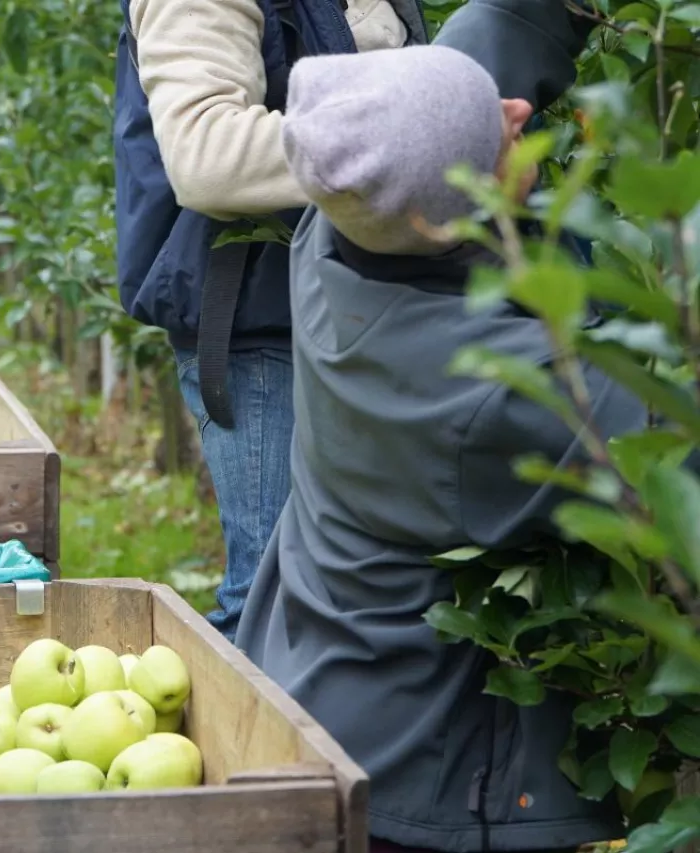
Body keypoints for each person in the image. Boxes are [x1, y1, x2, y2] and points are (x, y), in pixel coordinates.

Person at [234, 42, 647, 853]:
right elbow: (675, 446)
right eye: (494, 128)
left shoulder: (335, 228)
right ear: (452, 204)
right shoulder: (493, 386)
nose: (517, 109)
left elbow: (455, 80)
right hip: (415, 784)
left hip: (317, 696)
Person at [114, 0, 425, 641]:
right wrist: (414, 144)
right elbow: (208, 156)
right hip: (264, 329)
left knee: (347, 595)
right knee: (272, 598)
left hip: (359, 314)